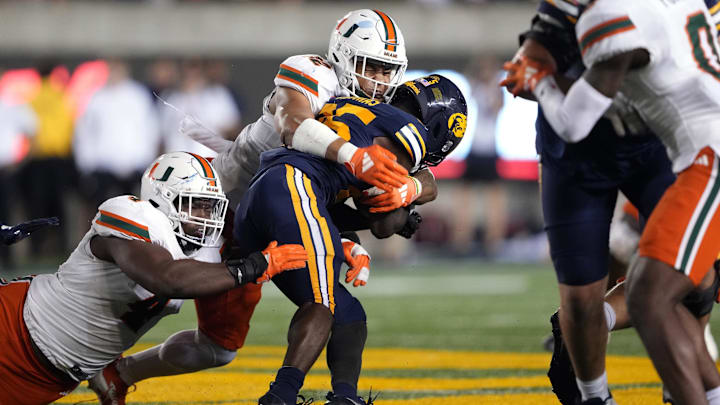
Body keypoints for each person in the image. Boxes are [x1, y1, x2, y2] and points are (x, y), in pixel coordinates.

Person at [88, 9, 417, 405]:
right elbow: (292, 124)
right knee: (153, 291)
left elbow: (321, 187)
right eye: (372, 67)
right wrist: (352, 155)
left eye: (388, 71)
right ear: (343, 55)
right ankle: (57, 342)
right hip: (209, 212)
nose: (379, 81)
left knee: (218, 348)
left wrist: (395, 199)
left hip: (265, 227)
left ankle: (118, 375)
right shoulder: (312, 73)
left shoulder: (380, 113)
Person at [502, 0, 720, 403]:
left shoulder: (614, 18)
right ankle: (598, 395)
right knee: (620, 296)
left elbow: (573, 114)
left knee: (682, 285)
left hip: (679, 151)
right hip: (601, 155)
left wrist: (543, 82)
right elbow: (532, 60)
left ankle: (688, 388)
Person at [229, 74, 467, 405]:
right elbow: (383, 220)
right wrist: (408, 200)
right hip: (295, 187)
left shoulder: (346, 105)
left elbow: (331, 200)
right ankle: (279, 397)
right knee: (321, 304)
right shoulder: (407, 133)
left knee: (348, 313)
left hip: (261, 198)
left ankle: (344, 397)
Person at [0, 151, 307, 405]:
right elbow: (165, 278)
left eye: (211, 206)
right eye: (196, 204)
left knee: (221, 351)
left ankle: (116, 375)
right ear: (163, 198)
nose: (206, 217)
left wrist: (340, 244)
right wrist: (251, 267)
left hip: (50, 378)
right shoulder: (132, 214)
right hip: (12, 330)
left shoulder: (205, 249)